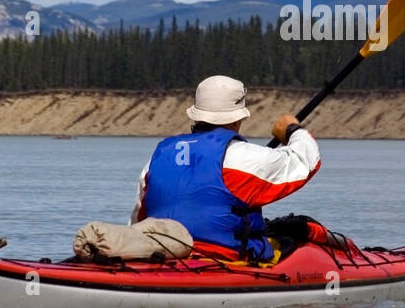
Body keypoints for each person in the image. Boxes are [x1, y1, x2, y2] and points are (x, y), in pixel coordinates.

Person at [131, 75, 320, 262]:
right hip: (222, 257)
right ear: (237, 118)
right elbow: (306, 161)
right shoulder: (243, 157)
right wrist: (292, 130)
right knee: (290, 240)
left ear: (197, 115)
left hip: (161, 255)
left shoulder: (157, 158)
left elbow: (138, 218)